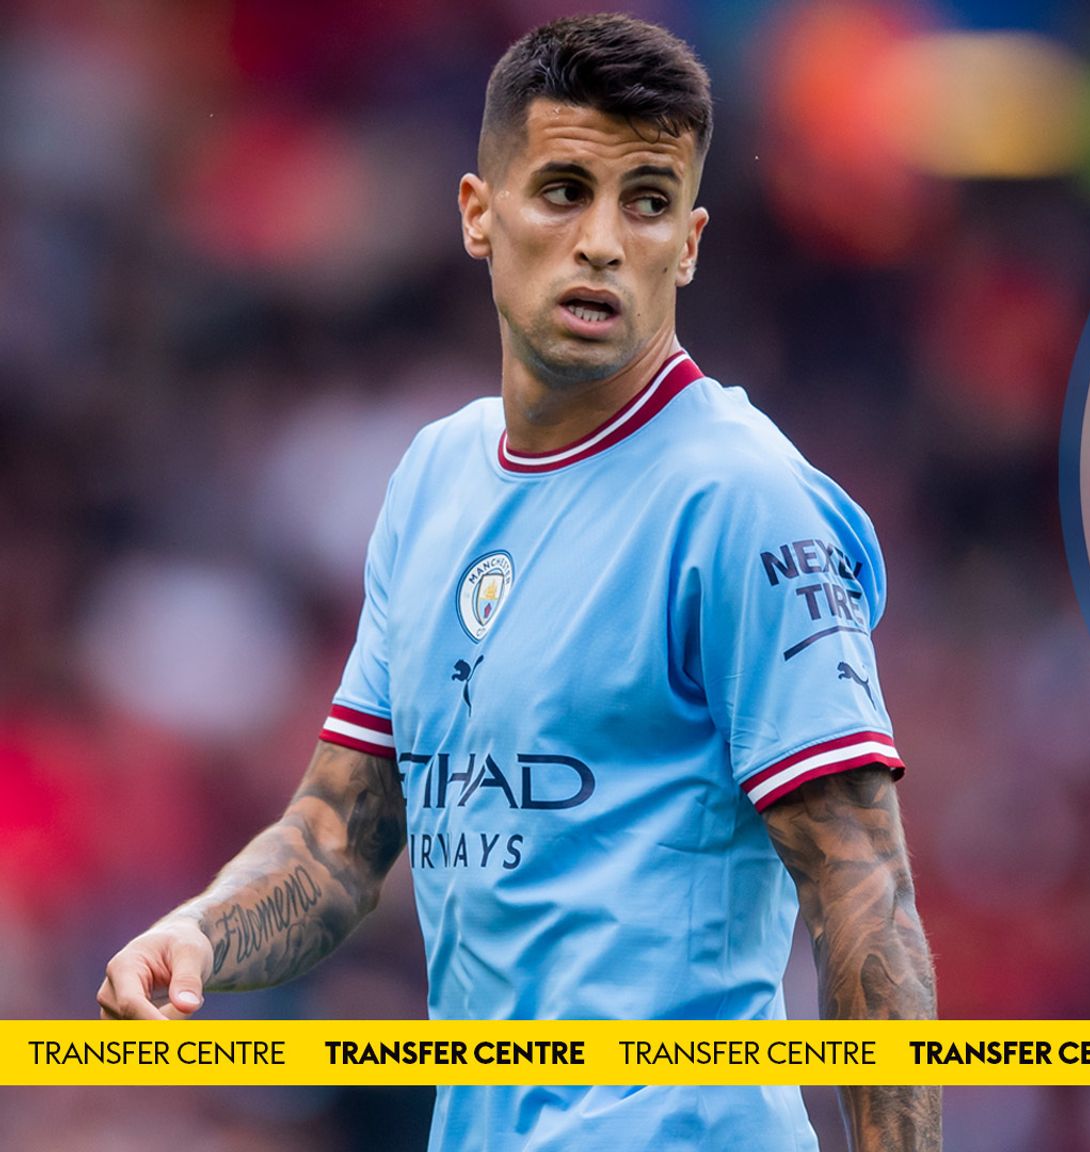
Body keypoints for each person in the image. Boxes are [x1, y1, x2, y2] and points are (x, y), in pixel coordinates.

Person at [95, 13, 939, 1151]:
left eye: (644, 203)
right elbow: (340, 839)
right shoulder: (436, 476)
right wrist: (198, 932)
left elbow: (862, 895)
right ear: (477, 216)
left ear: (686, 245)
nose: (601, 241)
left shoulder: (739, 501)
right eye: (562, 191)